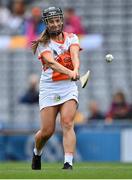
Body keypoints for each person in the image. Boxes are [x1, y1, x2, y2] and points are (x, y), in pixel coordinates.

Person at [31, 7, 81, 170]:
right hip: (49, 87)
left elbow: (74, 55)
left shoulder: (72, 37)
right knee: (47, 131)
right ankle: (37, 153)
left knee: (67, 122)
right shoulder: (43, 43)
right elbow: (52, 63)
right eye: (51, 21)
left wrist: (76, 71)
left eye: (57, 20)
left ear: (62, 20)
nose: (55, 23)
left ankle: (68, 163)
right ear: (46, 23)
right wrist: (70, 72)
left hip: (68, 87)